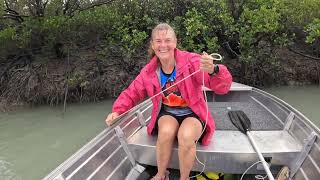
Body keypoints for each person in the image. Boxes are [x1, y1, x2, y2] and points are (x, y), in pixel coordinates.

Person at [105, 23, 232, 180]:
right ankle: (160, 174)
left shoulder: (192, 61)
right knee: (165, 133)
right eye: (158, 41)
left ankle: (183, 178)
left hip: (193, 112)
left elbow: (222, 88)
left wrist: (214, 70)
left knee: (185, 136)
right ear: (152, 45)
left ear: (175, 42)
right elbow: (132, 92)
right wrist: (117, 111)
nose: (163, 45)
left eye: (167, 40)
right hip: (167, 113)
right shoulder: (149, 71)